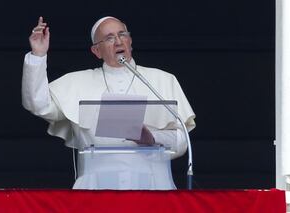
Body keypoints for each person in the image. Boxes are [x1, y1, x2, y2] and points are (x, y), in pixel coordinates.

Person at [22, 16, 196, 189]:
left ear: (130, 41)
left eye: (122, 34)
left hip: (153, 189)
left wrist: (152, 138)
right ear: (96, 51)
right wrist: (38, 55)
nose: (118, 41)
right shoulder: (77, 82)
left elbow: (182, 141)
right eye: (109, 38)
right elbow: (38, 104)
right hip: (94, 190)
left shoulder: (162, 80)